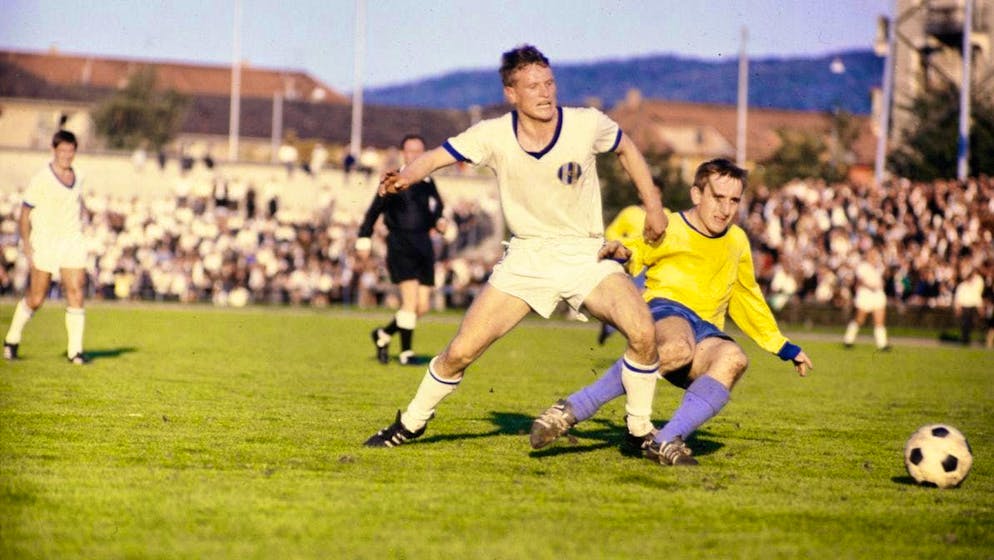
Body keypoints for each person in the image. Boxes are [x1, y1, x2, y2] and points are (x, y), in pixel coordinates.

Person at [364, 44, 667, 448]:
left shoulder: (585, 124)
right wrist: (405, 176)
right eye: (533, 86)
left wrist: (654, 207)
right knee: (459, 353)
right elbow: (436, 156)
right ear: (512, 94)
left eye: (549, 83)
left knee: (644, 333)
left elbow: (627, 148)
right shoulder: (492, 135)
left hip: (584, 253)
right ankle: (411, 422)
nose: (545, 93)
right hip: (527, 257)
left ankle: (640, 430)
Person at [530, 159, 813, 466]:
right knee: (678, 345)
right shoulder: (672, 226)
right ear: (696, 194)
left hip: (707, 330)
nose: (726, 209)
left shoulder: (737, 241)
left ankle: (665, 440)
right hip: (665, 309)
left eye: (734, 200)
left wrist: (783, 346)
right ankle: (573, 407)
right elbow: (638, 247)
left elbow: (747, 297)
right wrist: (623, 251)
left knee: (734, 359)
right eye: (718, 198)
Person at [358, 134, 447, 365]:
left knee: (423, 306)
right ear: (403, 153)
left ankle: (383, 334)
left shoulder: (428, 182)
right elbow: (374, 210)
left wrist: (439, 220)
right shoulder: (393, 180)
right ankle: (407, 353)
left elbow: (437, 208)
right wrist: (364, 238)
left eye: (420, 151)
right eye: (411, 151)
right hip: (401, 243)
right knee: (409, 303)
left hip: (424, 245)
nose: (415, 155)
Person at [3, 130, 90, 364]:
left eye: (70, 150)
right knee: (37, 298)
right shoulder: (41, 178)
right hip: (45, 242)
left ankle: (75, 352)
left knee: (76, 290)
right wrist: (27, 245)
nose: (66, 155)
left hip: (72, 240)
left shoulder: (79, 176)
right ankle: (12, 339)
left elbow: (78, 203)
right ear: (54, 151)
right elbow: (24, 214)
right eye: (62, 150)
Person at [596, 203, 647, 345]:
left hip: (655, 264)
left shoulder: (664, 213)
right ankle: (609, 327)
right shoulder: (630, 212)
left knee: (644, 302)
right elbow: (612, 232)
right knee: (633, 300)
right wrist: (626, 245)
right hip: (635, 263)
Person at [843, 246, 889, 350]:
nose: (873, 257)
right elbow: (861, 280)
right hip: (865, 294)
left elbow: (885, 278)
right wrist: (871, 286)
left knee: (879, 321)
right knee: (860, 319)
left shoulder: (880, 267)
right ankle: (848, 339)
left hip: (877, 294)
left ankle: (882, 344)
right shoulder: (862, 267)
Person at [952, 265, 985, 346]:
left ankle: (967, 338)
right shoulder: (962, 286)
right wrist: (957, 308)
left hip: (972, 307)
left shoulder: (973, 287)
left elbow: (977, 298)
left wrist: (980, 308)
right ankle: (964, 339)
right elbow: (958, 298)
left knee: (971, 324)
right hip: (965, 307)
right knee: (964, 324)